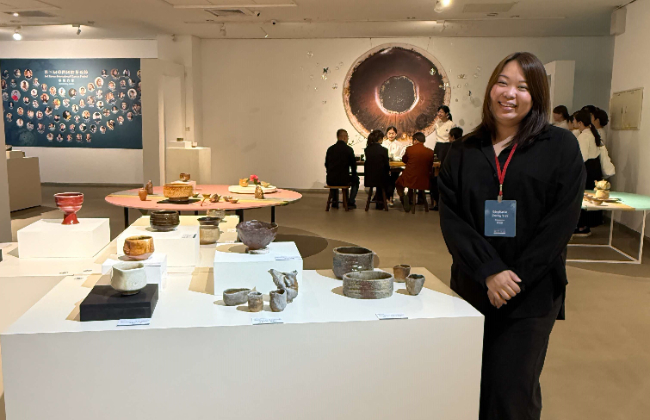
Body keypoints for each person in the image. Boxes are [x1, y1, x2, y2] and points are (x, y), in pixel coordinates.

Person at [438, 52, 586, 420]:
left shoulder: (560, 147)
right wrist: (489, 270)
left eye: (523, 87)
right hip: (473, 286)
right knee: (470, 384)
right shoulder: (463, 151)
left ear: (537, 96)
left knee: (512, 390)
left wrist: (513, 278)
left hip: (531, 293)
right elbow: (454, 221)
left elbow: (560, 223)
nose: (510, 93)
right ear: (491, 89)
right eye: (502, 83)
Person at [574, 110, 605, 236]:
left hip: (587, 168)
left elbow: (582, 157)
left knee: (584, 197)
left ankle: (582, 226)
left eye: (575, 120)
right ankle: (585, 225)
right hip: (594, 168)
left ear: (580, 122)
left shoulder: (584, 136)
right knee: (590, 197)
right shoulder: (592, 133)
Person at [395, 132, 434, 212]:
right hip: (424, 180)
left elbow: (404, 160)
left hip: (410, 178)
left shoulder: (410, 149)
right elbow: (430, 165)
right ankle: (415, 200)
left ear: (415, 140)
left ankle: (403, 197)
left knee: (398, 183)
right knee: (416, 183)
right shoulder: (430, 152)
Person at [429, 107, 457, 210]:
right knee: (435, 170)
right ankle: (435, 200)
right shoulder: (437, 123)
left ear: (447, 114)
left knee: (443, 170)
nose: (439, 114)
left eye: (441, 112)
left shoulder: (451, 124)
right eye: (438, 112)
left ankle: (443, 200)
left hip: (446, 147)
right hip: (438, 146)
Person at [325, 129, 359, 209]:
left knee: (335, 176)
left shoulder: (330, 149)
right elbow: (353, 166)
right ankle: (350, 202)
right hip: (344, 180)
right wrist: (354, 175)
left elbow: (326, 164)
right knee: (356, 180)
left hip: (330, 179)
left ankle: (334, 202)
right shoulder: (348, 149)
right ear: (345, 137)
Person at [364, 130, 390, 209]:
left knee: (380, 175)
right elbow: (386, 165)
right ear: (380, 139)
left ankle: (378, 199)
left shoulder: (367, 149)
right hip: (381, 179)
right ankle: (384, 200)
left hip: (369, 178)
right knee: (390, 179)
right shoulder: (384, 150)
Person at [382, 126, 405, 205]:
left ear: (396, 134)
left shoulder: (399, 145)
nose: (391, 135)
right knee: (385, 178)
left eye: (393, 133)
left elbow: (401, 156)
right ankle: (386, 197)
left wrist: (394, 158)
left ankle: (389, 197)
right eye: (389, 133)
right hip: (385, 166)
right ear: (387, 134)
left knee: (393, 179)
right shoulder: (383, 144)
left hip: (396, 166)